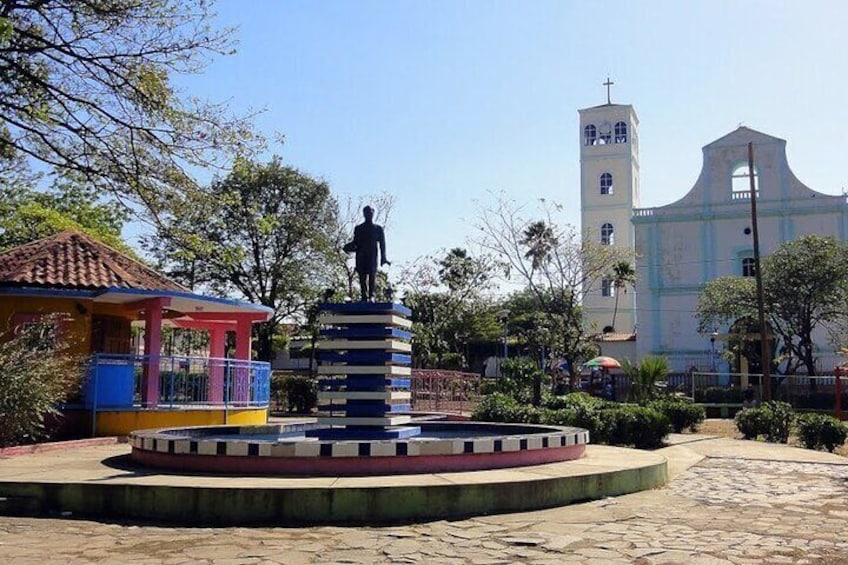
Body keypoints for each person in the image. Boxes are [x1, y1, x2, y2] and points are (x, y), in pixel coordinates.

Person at [346, 206, 390, 301]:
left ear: (373, 214)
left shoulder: (378, 229)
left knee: (372, 275)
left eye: (370, 212)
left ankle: (371, 295)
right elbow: (355, 242)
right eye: (367, 212)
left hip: (372, 255)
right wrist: (347, 247)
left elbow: (382, 244)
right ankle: (363, 295)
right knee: (362, 276)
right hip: (361, 255)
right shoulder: (358, 228)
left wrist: (383, 257)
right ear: (364, 214)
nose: (369, 214)